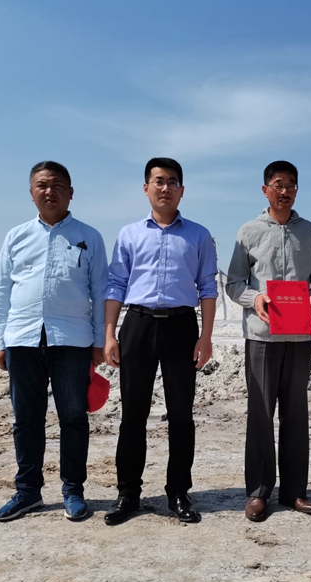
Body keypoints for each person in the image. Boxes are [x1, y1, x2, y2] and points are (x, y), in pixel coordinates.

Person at [0, 161, 108, 522]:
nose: (49, 191)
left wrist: (99, 340)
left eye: (57, 185)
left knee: (73, 417)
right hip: (22, 339)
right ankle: (28, 491)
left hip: (72, 340)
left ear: (70, 193)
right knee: (26, 419)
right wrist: (0, 339)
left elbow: (100, 291)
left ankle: (73, 490)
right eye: (42, 185)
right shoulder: (16, 236)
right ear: (31, 193)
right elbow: (1, 290)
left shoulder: (89, 236)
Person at [103, 158, 217, 525]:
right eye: (158, 181)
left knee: (181, 415)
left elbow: (208, 287)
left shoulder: (199, 236)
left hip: (181, 327)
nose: (165, 188)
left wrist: (206, 337)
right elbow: (116, 285)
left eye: (172, 182)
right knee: (133, 414)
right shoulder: (129, 234)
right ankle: (128, 493)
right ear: (146, 188)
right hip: (137, 324)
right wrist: (109, 333)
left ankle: (179, 492)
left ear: (182, 190)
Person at [225, 160, 311, 522]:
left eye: (290, 185)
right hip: (262, 335)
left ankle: (294, 491)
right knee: (260, 413)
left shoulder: (310, 232)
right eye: (277, 184)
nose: (284, 191)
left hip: (299, 336)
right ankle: (258, 492)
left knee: (296, 414)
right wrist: (254, 298)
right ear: (265, 190)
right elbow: (234, 282)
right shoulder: (249, 231)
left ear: (297, 190)